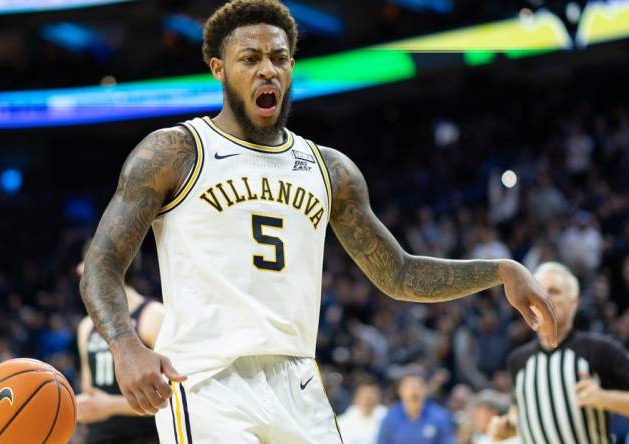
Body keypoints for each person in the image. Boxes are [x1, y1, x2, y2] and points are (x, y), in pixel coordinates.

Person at [79, 1, 557, 442]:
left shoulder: (330, 169)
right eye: (250, 59)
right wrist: (125, 345)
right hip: (205, 381)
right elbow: (102, 263)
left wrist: (498, 271)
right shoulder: (176, 151)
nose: (267, 69)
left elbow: (400, 274)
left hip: (300, 383)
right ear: (219, 70)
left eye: (279, 57)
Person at [490, 262, 629, 443]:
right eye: (539, 290)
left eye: (554, 292)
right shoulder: (518, 360)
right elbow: (523, 415)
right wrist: (507, 428)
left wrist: (602, 397)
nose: (545, 298)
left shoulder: (599, 349)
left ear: (574, 303)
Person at [76, 247, 165, 444]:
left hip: (145, 437)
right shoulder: (86, 326)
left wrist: (110, 406)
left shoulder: (153, 315)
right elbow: (90, 394)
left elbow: (174, 393)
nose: (79, 269)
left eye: (86, 262)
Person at [376, 368, 456, 444]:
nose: (414, 391)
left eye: (417, 386)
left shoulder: (440, 416)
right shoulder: (389, 418)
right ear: (400, 391)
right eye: (409, 387)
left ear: (425, 390)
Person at [339, 377, 387, 444]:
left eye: (372, 394)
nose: (368, 398)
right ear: (356, 397)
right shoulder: (343, 422)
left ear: (379, 397)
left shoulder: (387, 417)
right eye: (364, 394)